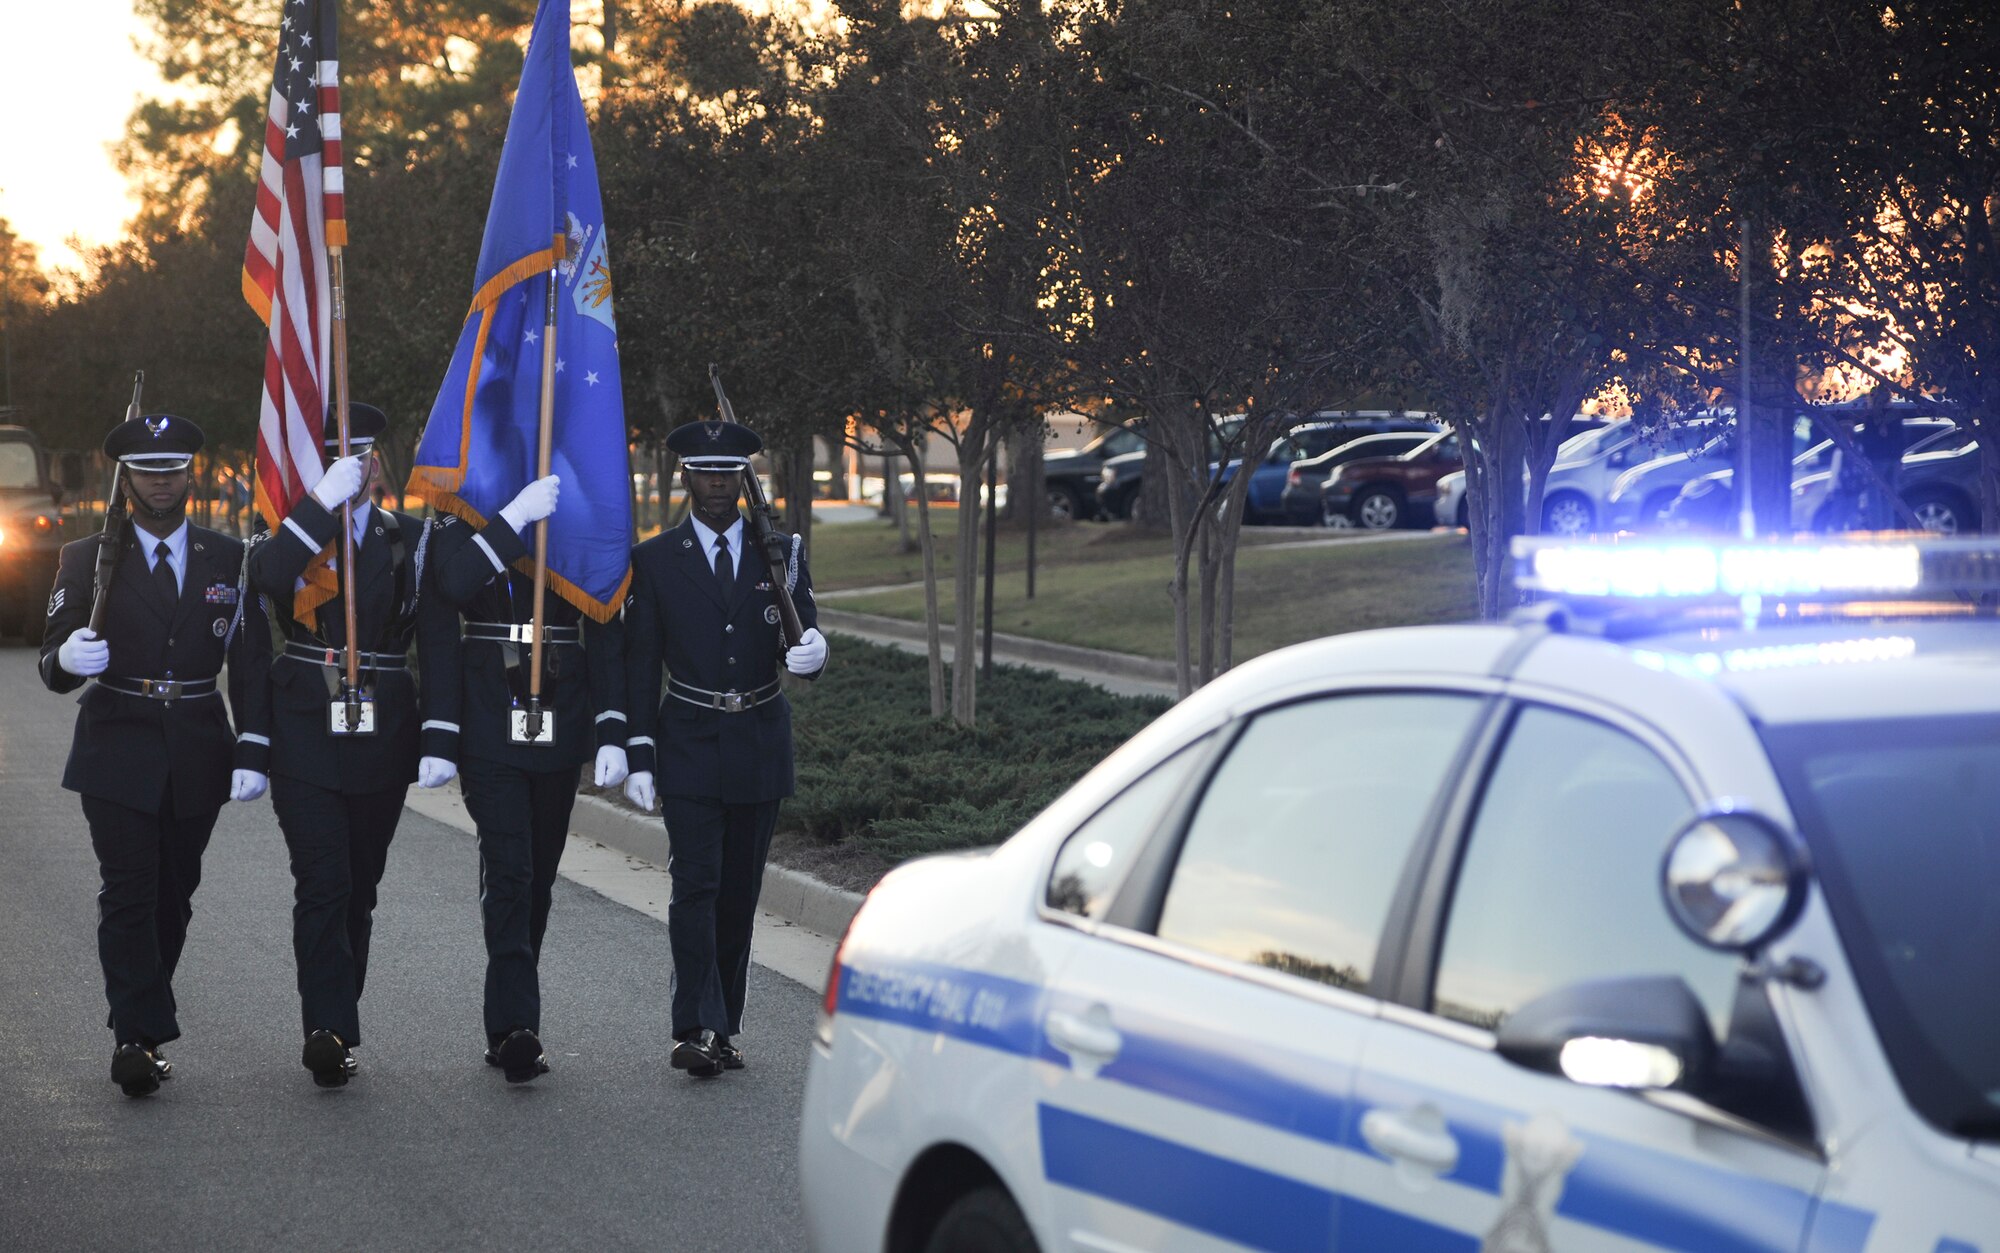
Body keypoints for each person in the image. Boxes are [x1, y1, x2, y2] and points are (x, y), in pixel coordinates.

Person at [39, 413, 272, 1098]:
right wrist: (67, 656)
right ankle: (135, 1039)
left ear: (189, 472)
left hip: (199, 742)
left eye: (172, 468)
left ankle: (137, 1009)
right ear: (127, 477)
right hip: (116, 738)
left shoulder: (228, 557)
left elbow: (252, 657)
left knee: (176, 893)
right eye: (148, 469)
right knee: (129, 890)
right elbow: (54, 659)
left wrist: (254, 744)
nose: (161, 481)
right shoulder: (86, 558)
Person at [622, 419, 828, 1078]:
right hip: (688, 737)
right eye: (704, 470)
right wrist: (635, 747)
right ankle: (696, 1025)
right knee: (695, 885)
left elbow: (801, 642)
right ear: (684, 474)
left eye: (727, 471)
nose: (715, 482)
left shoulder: (782, 550)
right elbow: (639, 663)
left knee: (738, 892)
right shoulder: (656, 560)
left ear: (743, 476)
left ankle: (725, 1025)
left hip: (759, 740)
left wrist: (814, 654)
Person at [415, 474, 630, 1083]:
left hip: (559, 714)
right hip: (487, 711)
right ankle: (516, 1026)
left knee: (536, 873)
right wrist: (510, 520)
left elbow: (606, 624)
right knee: (509, 867)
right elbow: (452, 589)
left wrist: (612, 727)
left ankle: (513, 1003)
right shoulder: (459, 519)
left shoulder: (577, 514)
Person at [247, 403, 428, 1088]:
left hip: (382, 728)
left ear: (376, 461)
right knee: (322, 879)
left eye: (361, 452)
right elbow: (267, 578)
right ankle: (327, 1028)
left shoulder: (407, 536)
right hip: (304, 726)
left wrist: (440, 732)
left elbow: (433, 637)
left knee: (360, 886)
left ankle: (338, 1006)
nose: (354, 462)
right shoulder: (286, 535)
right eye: (335, 454)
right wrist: (320, 504)